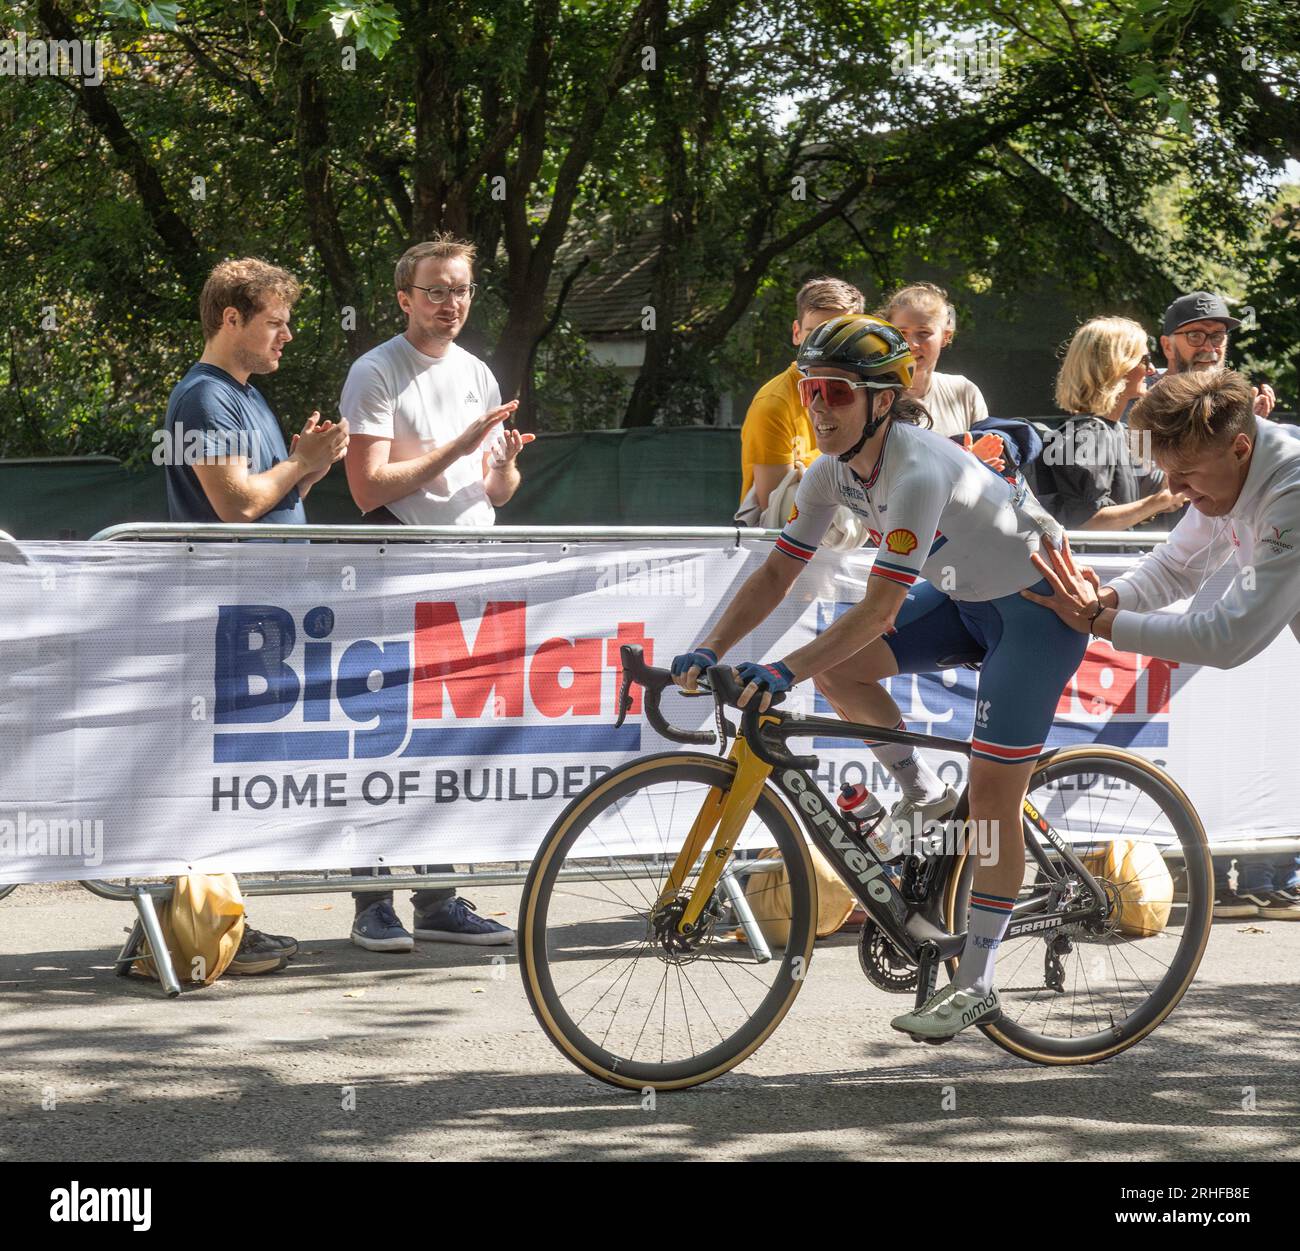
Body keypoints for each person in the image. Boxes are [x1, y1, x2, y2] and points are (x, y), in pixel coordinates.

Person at [673, 313, 1088, 1040]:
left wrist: (781, 668)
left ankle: (978, 981)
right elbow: (778, 568)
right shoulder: (831, 472)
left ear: (882, 401)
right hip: (965, 596)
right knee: (841, 676)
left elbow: (878, 608)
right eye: (810, 392)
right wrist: (708, 647)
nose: (820, 409)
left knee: (993, 799)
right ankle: (923, 795)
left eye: (836, 393)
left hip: (1036, 613)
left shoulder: (918, 472)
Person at [1023, 368, 1300, 919]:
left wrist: (1102, 625)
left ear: (1241, 447)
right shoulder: (1226, 472)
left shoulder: (1290, 491)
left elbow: (1229, 639)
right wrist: (1105, 599)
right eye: (1168, 474)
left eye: (1188, 475)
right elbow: (1176, 567)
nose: (1178, 491)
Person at [339, 234, 528, 952]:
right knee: (384, 740)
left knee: (447, 742)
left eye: (461, 290)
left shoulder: (478, 372)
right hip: (396, 576)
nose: (451, 303)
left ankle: (439, 896)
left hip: (469, 577)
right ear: (404, 298)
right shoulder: (376, 370)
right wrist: (460, 444)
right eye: (436, 290)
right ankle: (369, 900)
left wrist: (503, 463)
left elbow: (493, 491)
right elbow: (365, 487)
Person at [162, 257, 349, 972]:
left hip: (260, 614)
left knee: (224, 782)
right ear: (230, 319)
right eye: (274, 321)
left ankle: (198, 926)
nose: (287, 335)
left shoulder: (244, 396)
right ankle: (198, 932)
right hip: (230, 616)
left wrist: (307, 463)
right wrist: (299, 462)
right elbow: (237, 503)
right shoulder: (205, 398)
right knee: (214, 781)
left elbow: (269, 493)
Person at [1040, 316, 1187, 530]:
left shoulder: (1121, 430)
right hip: (1095, 562)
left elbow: (1150, 487)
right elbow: (1086, 522)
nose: (1152, 369)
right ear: (1117, 366)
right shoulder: (1087, 434)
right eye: (1144, 359)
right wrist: (1157, 503)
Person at [738, 277, 864, 519]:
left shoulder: (868, 392)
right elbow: (775, 510)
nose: (825, 346)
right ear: (797, 333)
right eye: (815, 333)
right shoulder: (773, 405)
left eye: (840, 333)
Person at [879, 282, 988, 438]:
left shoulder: (964, 392)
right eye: (902, 332)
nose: (912, 344)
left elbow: (985, 457)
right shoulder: (871, 397)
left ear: (946, 336)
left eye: (923, 333)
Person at [1157, 290, 1275, 420]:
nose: (1209, 348)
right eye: (1195, 336)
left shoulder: (1232, 404)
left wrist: (1246, 425)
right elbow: (1139, 441)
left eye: (1217, 336)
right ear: (1168, 346)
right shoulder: (1137, 396)